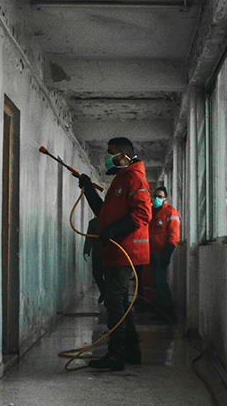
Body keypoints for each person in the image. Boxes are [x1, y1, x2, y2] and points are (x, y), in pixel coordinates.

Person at [77, 137, 152, 371]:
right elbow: (103, 213)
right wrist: (89, 189)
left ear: (122, 156)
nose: (106, 157)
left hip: (125, 252)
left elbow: (142, 214)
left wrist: (112, 230)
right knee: (120, 301)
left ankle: (116, 354)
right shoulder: (121, 180)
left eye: (110, 153)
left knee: (113, 302)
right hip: (116, 251)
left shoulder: (134, 179)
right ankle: (131, 350)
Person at [148, 186, 180, 322]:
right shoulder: (152, 212)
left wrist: (167, 254)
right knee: (156, 282)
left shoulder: (170, 212)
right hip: (151, 252)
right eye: (155, 196)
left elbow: (174, 235)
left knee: (161, 282)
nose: (156, 199)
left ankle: (169, 312)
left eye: (160, 197)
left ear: (165, 198)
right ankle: (161, 311)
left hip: (162, 253)